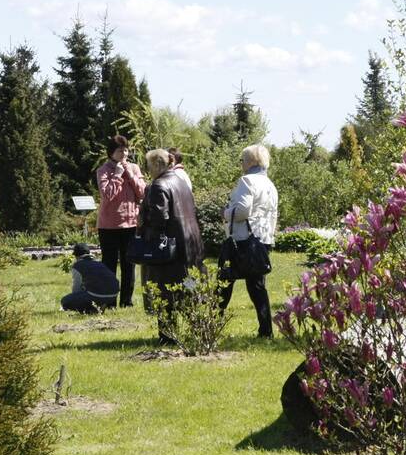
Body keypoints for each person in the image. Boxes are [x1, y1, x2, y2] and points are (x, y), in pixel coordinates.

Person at [138, 149, 204, 345]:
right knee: (188, 285)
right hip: (190, 243)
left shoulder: (159, 185)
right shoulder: (181, 181)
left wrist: (143, 220)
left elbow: (160, 218)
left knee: (164, 289)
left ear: (157, 165)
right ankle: (198, 328)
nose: (148, 171)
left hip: (170, 248)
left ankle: (167, 335)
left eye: (149, 166)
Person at [219, 144, 279, 337]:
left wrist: (225, 213)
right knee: (257, 286)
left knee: (224, 281)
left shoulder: (247, 181)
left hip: (242, 240)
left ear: (250, 161)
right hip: (262, 240)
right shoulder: (270, 184)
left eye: (242, 159)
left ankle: (210, 324)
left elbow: (243, 211)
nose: (241, 163)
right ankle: (266, 330)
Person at [96, 135, 146, 307]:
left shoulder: (134, 167)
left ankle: (127, 301)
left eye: (126, 150)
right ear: (111, 153)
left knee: (129, 265)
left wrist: (131, 175)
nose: (124, 153)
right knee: (109, 265)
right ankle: (109, 301)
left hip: (131, 224)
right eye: (120, 150)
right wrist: (117, 175)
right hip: (109, 226)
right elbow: (107, 195)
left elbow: (143, 194)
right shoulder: (103, 170)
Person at [60, 243, 119, 313]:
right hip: (113, 294)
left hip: (96, 295)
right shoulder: (98, 262)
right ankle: (100, 305)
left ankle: (90, 309)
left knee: (65, 301)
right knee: (92, 291)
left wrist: (75, 298)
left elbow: (77, 287)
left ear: (76, 256)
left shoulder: (78, 265)